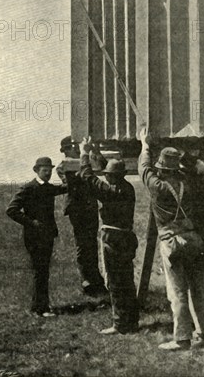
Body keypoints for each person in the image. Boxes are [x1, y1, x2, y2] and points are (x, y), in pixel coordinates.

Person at [138, 128, 204, 351]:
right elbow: (190, 169)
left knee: (177, 292)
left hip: (172, 243)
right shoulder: (187, 184)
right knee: (198, 287)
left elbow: (143, 168)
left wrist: (145, 145)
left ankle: (182, 339)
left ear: (161, 169)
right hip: (193, 239)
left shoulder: (158, 187)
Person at [78, 137, 138, 334]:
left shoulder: (108, 190)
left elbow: (87, 177)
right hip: (127, 238)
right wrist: (97, 152)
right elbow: (110, 171)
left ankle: (120, 324)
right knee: (127, 280)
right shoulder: (126, 187)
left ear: (110, 177)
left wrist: (84, 154)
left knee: (114, 282)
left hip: (112, 238)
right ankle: (132, 321)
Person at [6, 157, 67, 317]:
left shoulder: (48, 188)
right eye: (44, 170)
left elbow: (64, 188)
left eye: (50, 170)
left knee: (43, 271)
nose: (48, 173)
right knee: (40, 271)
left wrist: (69, 174)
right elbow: (11, 210)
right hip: (34, 237)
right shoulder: (28, 188)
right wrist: (31, 222)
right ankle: (41, 308)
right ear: (36, 170)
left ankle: (40, 306)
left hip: (47, 236)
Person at [56, 136, 107, 297]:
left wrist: (94, 152)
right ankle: (87, 281)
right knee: (83, 245)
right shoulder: (63, 166)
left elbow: (102, 166)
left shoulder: (83, 162)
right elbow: (74, 182)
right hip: (77, 208)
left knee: (90, 243)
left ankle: (95, 279)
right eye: (73, 148)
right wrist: (85, 164)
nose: (77, 150)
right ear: (66, 150)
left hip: (89, 206)